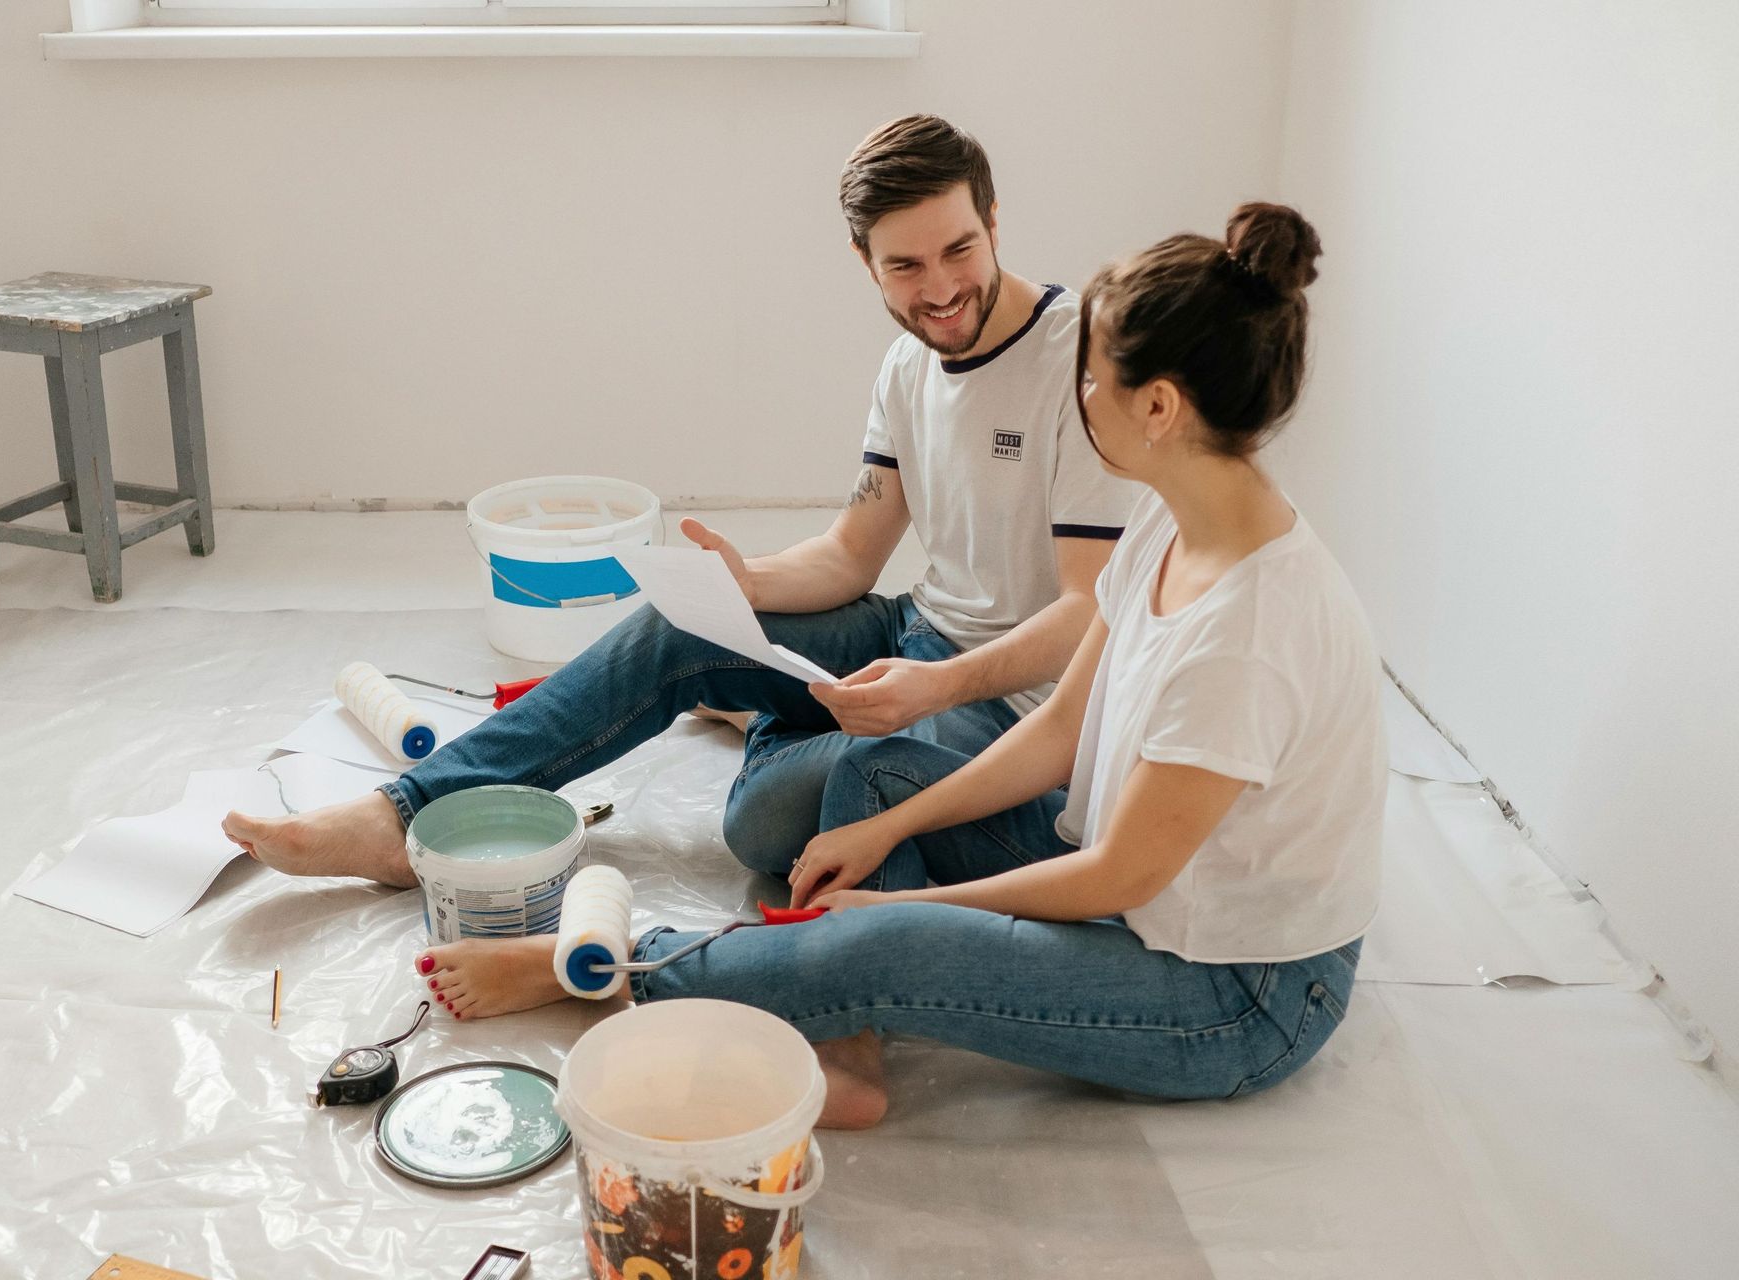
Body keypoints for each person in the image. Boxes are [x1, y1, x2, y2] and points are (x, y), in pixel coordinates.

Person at [413, 202, 1385, 1131]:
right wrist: (892, 826)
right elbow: (1058, 732)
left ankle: (604, 968)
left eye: (1094, 381)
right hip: (1139, 894)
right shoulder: (1170, 524)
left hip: (1232, 992)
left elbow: (1113, 877)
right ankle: (849, 1033)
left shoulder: (1249, 631)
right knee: (873, 783)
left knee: (883, 937)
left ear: (1160, 407)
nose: (1081, 396)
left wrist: (902, 903)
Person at [221, 114, 1135, 887]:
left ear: (994, 221)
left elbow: (1085, 612)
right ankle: (404, 815)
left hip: (1012, 703)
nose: (938, 290)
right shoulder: (908, 364)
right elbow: (852, 554)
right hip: (913, 634)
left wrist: (933, 686)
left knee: (764, 823)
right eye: (904, 266)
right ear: (864, 262)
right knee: (675, 631)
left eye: (959, 250)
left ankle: (766, 714)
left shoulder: (1078, 361)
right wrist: (747, 585)